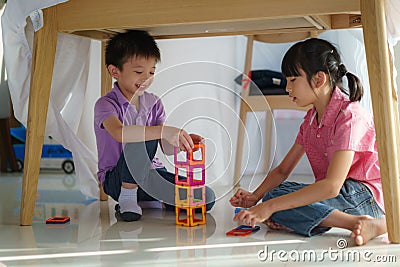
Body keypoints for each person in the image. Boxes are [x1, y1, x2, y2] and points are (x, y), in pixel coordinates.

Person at [230, 38, 386, 246]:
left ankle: (364, 223)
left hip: (364, 197)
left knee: (274, 203)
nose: (287, 88)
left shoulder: (349, 116)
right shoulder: (311, 119)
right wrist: (255, 197)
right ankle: (342, 221)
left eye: (293, 80)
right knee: (273, 198)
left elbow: (331, 186)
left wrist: (269, 207)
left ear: (319, 79)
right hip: (340, 195)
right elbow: (283, 170)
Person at [94, 30, 215, 222]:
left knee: (206, 198)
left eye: (151, 72)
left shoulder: (154, 103)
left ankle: (149, 201)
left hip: (152, 175)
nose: (146, 78)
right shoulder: (106, 104)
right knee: (141, 137)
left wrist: (180, 140)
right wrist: (162, 131)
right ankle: (127, 197)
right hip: (117, 179)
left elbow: (165, 148)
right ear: (115, 71)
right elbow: (119, 133)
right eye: (139, 72)